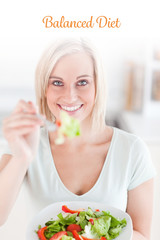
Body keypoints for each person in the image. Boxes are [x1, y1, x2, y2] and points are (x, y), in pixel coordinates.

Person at [0, 37, 156, 240]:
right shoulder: (27, 143)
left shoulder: (133, 150)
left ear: (97, 86)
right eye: (57, 83)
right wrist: (21, 157)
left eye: (82, 82)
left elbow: (143, 235)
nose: (70, 96)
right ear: (44, 89)